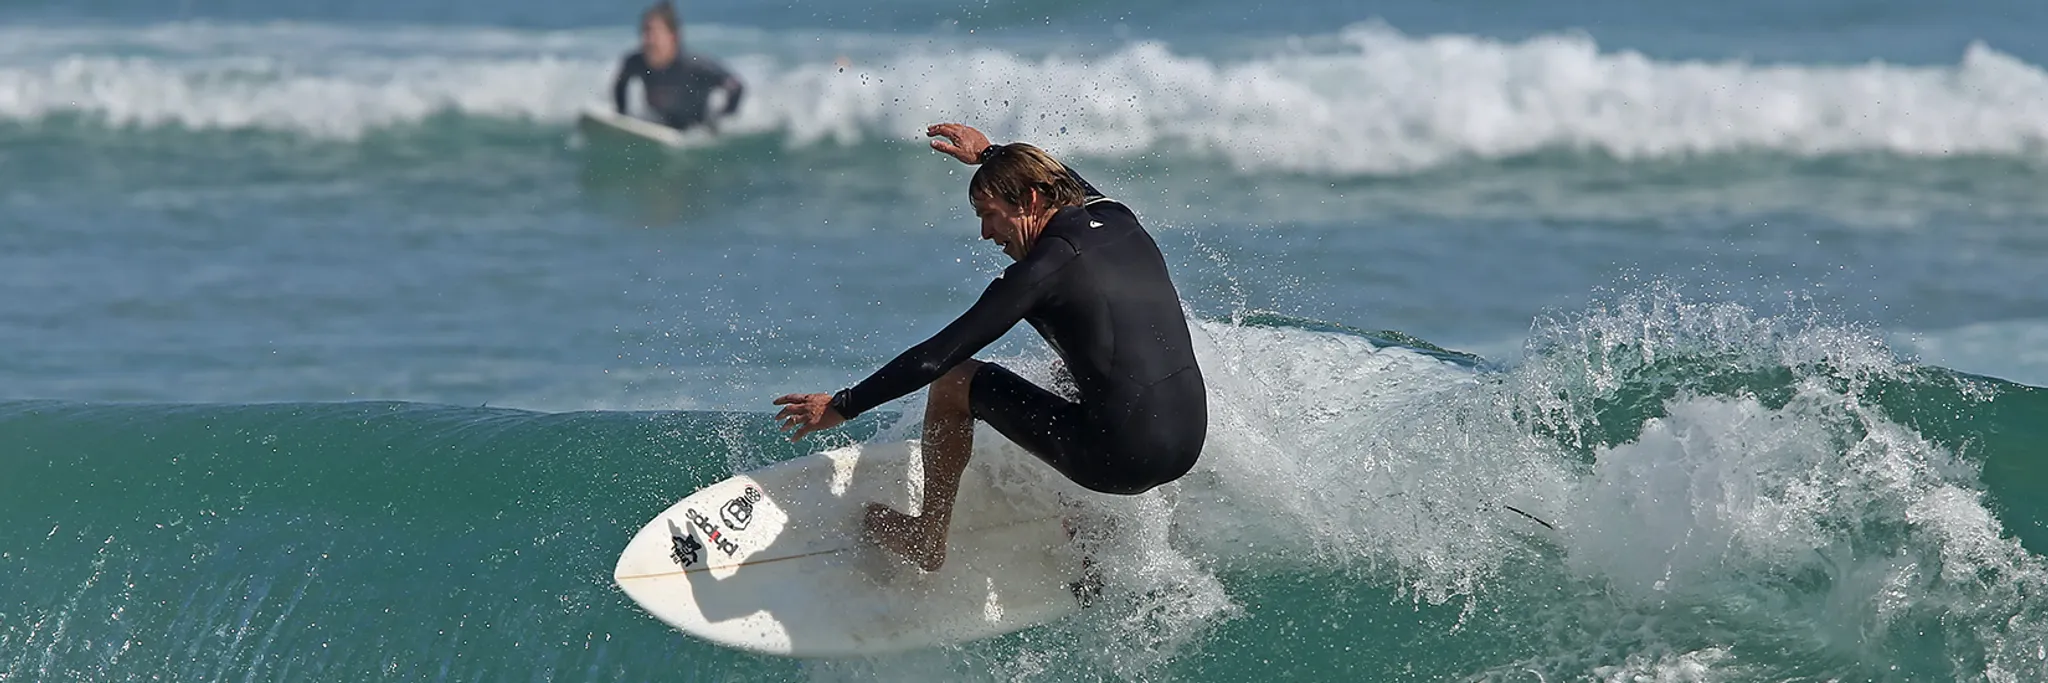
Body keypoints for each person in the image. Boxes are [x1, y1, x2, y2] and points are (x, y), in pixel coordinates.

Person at [774, 123, 1207, 572]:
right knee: (1071, 369)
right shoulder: (1117, 217)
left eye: (990, 213)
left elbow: (935, 356)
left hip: (1119, 460)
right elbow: (1068, 180)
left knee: (955, 381)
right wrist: (989, 153)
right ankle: (1093, 523)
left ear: (1032, 202)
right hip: (1188, 441)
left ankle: (927, 535)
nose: (985, 233)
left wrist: (844, 404)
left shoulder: (1045, 269)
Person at [611, 1, 744, 132]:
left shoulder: (695, 65)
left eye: (655, 33)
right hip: (659, 123)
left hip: (696, 129)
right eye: (645, 31)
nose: (649, 39)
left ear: (673, 37)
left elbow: (736, 86)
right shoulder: (635, 62)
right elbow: (620, 84)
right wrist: (622, 115)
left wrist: (722, 119)